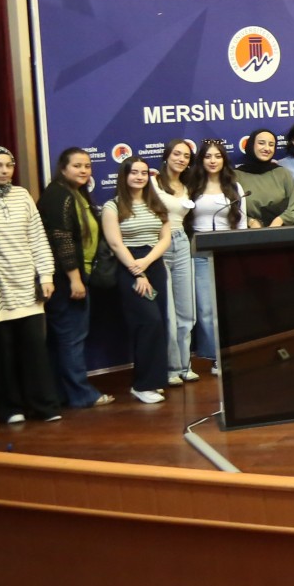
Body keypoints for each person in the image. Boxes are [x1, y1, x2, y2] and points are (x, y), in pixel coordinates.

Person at [0, 145, 61, 425]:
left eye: (8, 165)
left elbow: (37, 237)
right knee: (2, 352)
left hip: (27, 284)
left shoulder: (22, 195)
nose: (4, 171)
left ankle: (43, 404)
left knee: (35, 349)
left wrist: (46, 276)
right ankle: (8, 407)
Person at [38, 147, 112, 410]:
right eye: (77, 166)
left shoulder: (76, 194)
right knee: (71, 338)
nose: (83, 170)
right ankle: (81, 394)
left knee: (66, 338)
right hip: (65, 280)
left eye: (87, 166)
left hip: (79, 276)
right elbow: (63, 240)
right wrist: (74, 279)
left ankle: (61, 393)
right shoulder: (58, 195)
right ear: (63, 168)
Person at [101, 156, 172, 403]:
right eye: (134, 172)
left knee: (158, 325)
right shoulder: (112, 206)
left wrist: (147, 262)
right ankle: (143, 386)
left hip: (154, 264)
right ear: (125, 175)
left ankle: (153, 380)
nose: (139, 177)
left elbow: (165, 238)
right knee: (148, 323)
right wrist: (138, 272)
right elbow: (115, 243)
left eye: (143, 173)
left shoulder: (156, 202)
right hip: (129, 267)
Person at [186, 137, 246, 371]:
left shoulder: (234, 187)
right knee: (205, 308)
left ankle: (233, 350)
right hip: (199, 253)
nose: (213, 161)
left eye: (218, 156)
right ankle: (215, 357)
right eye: (208, 156)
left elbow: (241, 223)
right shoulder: (192, 186)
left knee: (231, 305)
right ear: (201, 160)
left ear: (224, 160)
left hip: (228, 251)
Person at [153, 139, 202, 381]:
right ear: (166, 156)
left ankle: (185, 365)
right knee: (169, 312)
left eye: (186, 156)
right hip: (159, 244)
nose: (181, 159)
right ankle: (171, 368)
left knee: (186, 310)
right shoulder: (152, 182)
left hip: (182, 243)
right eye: (176, 154)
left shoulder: (187, 186)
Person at [235, 128, 294, 227]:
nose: (267, 148)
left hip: (281, 232)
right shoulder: (236, 176)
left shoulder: (282, 173)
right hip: (248, 233)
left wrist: (280, 220)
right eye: (261, 143)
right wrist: (250, 221)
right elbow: (231, 209)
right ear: (251, 145)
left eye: (271, 145)